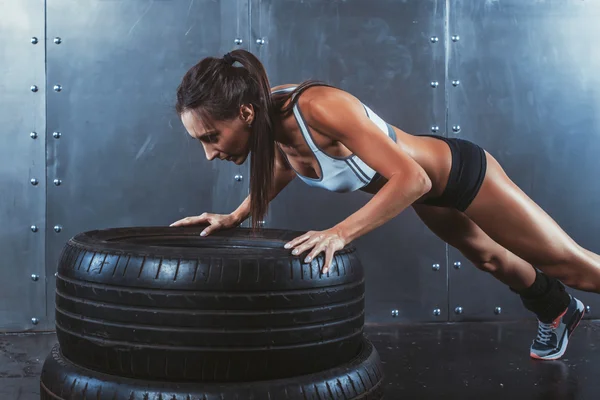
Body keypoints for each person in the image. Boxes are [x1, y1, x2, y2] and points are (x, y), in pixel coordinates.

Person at [170, 49, 591, 361]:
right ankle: (558, 309)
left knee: (570, 265)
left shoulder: (317, 107)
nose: (210, 153)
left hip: (458, 174)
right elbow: (288, 165)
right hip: (429, 196)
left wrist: (339, 232)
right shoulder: (270, 124)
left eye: (211, 137)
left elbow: (413, 178)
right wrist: (236, 215)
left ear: (244, 113)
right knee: (490, 259)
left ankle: (568, 292)